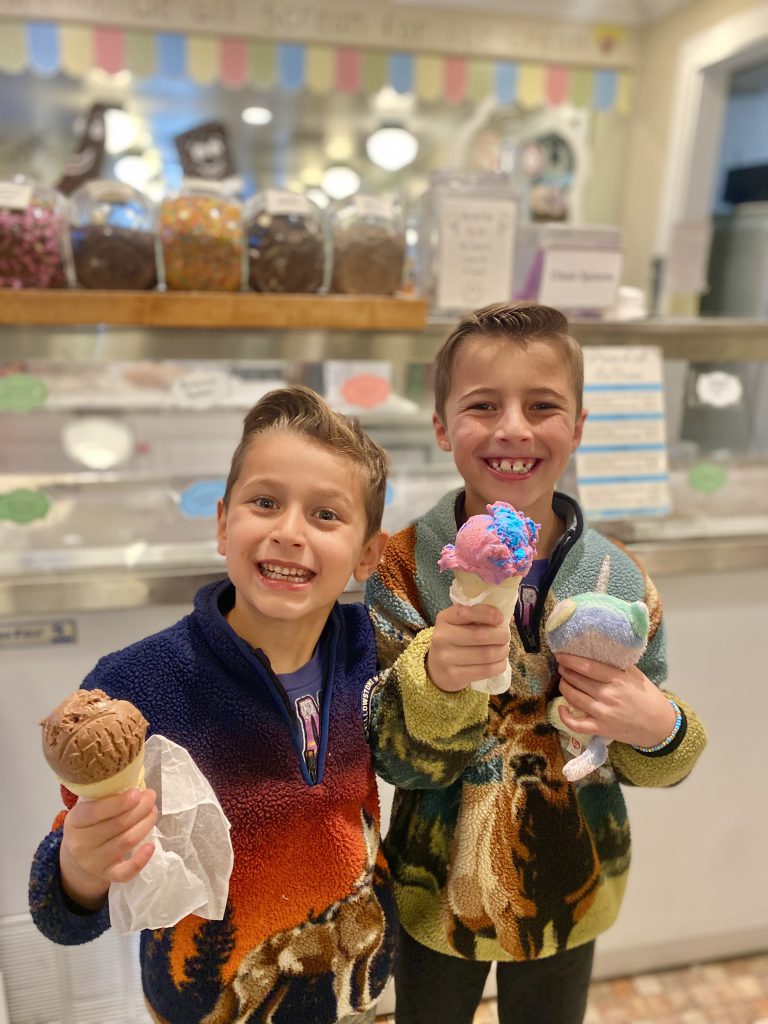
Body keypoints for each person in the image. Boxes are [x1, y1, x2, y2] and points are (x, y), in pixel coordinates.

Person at [29, 386, 492, 1024]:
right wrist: (81, 867)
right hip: (201, 1003)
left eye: (326, 515)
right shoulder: (134, 685)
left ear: (367, 554)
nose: (288, 531)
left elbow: (426, 756)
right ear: (223, 523)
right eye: (265, 502)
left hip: (355, 997)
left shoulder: (380, 651)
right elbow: (61, 915)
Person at [365, 303, 708, 1024]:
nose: (513, 427)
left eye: (543, 405)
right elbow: (396, 762)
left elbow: (648, 761)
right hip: (436, 887)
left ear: (578, 428)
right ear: (441, 426)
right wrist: (435, 681)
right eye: (483, 405)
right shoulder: (401, 568)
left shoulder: (618, 581)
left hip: (569, 881)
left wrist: (661, 729)